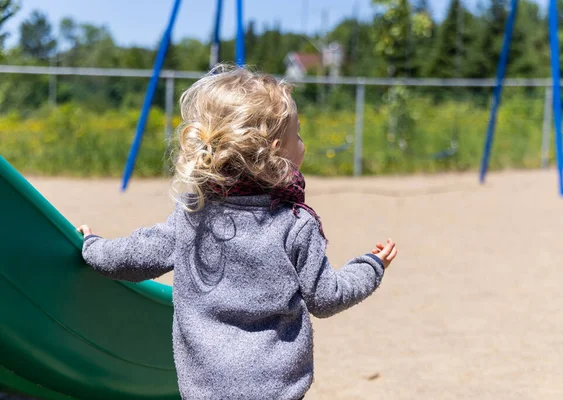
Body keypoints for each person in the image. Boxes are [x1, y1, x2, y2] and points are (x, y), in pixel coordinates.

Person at [79, 65, 397, 400]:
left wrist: (90, 245)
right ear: (276, 151)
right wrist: (370, 266)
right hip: (276, 388)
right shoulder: (295, 224)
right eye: (298, 135)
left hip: (205, 388)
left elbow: (133, 256)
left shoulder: (192, 217)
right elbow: (327, 297)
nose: (303, 143)